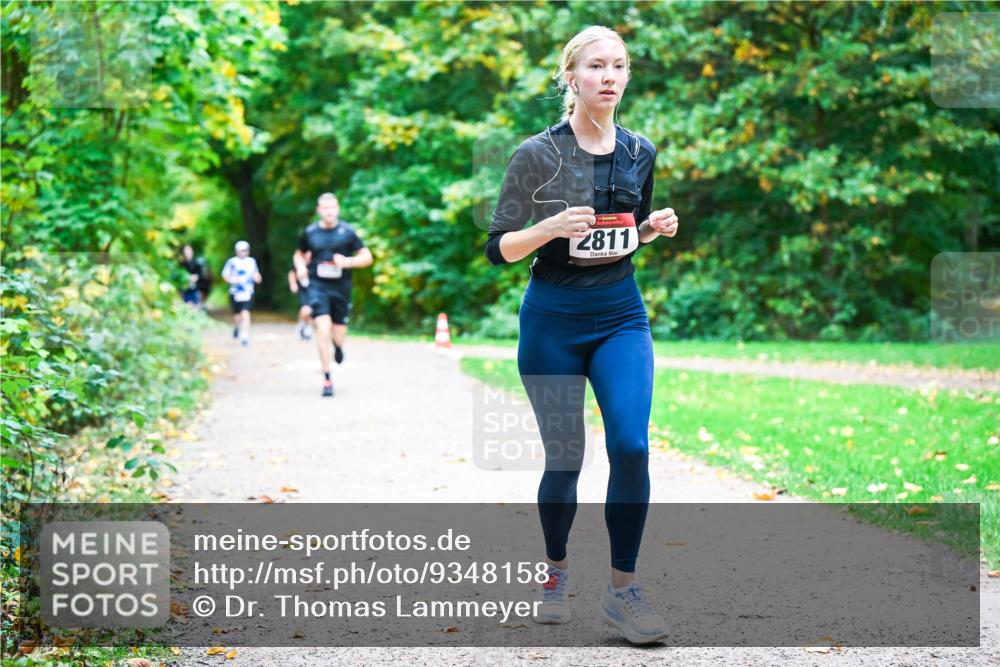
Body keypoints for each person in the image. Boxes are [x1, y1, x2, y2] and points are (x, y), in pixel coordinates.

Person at [484, 26, 679, 644]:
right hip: (552, 321)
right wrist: (548, 228)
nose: (610, 76)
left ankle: (624, 592)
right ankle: (555, 572)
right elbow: (499, 249)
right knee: (566, 458)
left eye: (619, 66)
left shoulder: (638, 151)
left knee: (631, 446)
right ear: (571, 76)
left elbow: (621, 232)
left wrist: (650, 229)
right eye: (597, 66)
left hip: (621, 315)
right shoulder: (535, 154)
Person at [293, 193, 373, 397]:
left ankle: (338, 347)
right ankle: (327, 378)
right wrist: (301, 267)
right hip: (317, 287)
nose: (329, 211)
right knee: (322, 328)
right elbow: (299, 254)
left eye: (332, 208)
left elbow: (367, 256)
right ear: (319, 210)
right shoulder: (310, 232)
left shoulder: (347, 232)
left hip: (341, 289)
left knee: (338, 335)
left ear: (337, 209)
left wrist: (349, 262)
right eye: (324, 208)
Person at [222, 240, 262, 346]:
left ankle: (245, 335)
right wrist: (233, 280)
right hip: (235, 292)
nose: (242, 253)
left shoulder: (251, 261)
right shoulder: (231, 262)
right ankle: (236, 327)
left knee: (245, 313)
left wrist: (257, 278)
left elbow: (256, 275)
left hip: (248, 292)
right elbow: (225, 275)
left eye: (244, 250)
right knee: (237, 316)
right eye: (240, 251)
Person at [287, 265, 313, 340]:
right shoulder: (300, 260)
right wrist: (293, 283)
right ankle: (302, 324)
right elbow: (292, 272)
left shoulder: (317, 258)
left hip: (314, 288)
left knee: (312, 309)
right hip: (303, 289)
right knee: (305, 309)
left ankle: (308, 328)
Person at [179, 244, 207, 309]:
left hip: (196, 288)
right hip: (185, 289)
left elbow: (202, 276)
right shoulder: (181, 264)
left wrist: (196, 277)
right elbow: (179, 278)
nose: (187, 252)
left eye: (189, 250)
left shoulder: (197, 262)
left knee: (195, 307)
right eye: (186, 250)